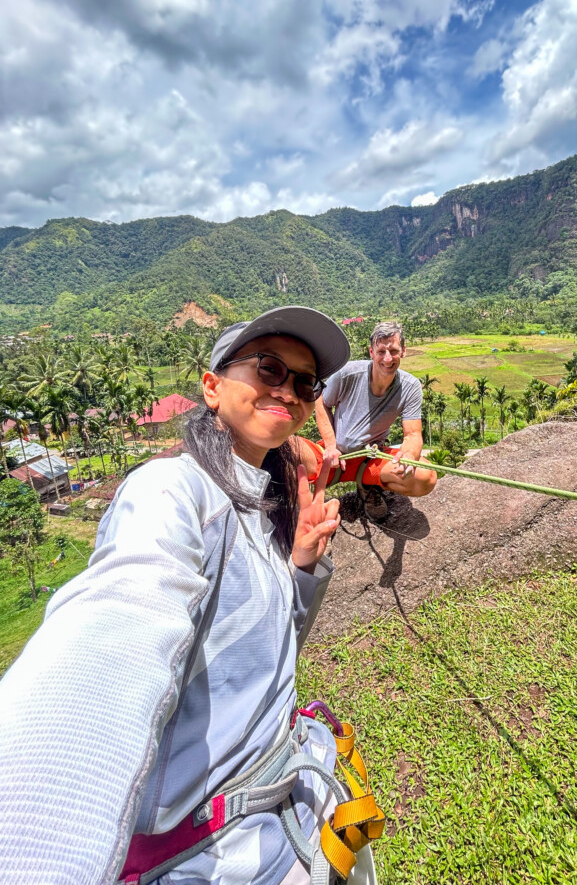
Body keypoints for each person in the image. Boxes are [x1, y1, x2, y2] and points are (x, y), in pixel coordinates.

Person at [0, 306, 380, 885]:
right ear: (211, 387)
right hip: (229, 860)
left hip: (299, 810)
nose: (290, 390)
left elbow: (256, 659)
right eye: (271, 369)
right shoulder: (172, 492)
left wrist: (301, 567)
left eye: (306, 382)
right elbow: (118, 626)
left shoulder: (259, 497)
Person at [297, 321, 437, 520]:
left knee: (426, 477)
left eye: (394, 351)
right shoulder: (348, 374)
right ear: (371, 352)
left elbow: (413, 434)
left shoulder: (410, 387)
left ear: (403, 352)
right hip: (333, 456)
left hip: (371, 459)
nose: (388, 358)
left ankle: (369, 486)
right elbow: (320, 401)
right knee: (287, 451)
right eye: (381, 352)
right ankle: (299, 514)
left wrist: (409, 457)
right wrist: (330, 445)